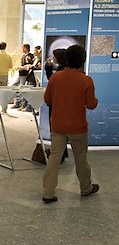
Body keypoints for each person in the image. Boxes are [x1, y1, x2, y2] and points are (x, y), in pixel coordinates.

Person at [42, 44, 99, 203]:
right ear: (83, 60)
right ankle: (85, 188)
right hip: (77, 127)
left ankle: (48, 193)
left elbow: (47, 100)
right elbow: (91, 104)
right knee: (81, 158)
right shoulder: (86, 80)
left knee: (54, 159)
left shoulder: (56, 77)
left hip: (58, 126)